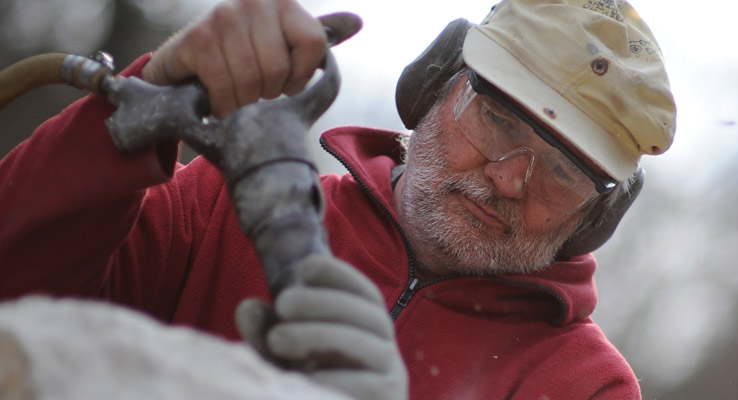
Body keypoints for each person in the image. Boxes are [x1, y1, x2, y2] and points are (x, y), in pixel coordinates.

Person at [0, 0, 676, 398]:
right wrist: (130, 123)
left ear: (597, 218)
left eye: (562, 172)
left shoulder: (582, 386)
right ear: (433, 88)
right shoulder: (212, 208)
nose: (507, 178)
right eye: (497, 119)